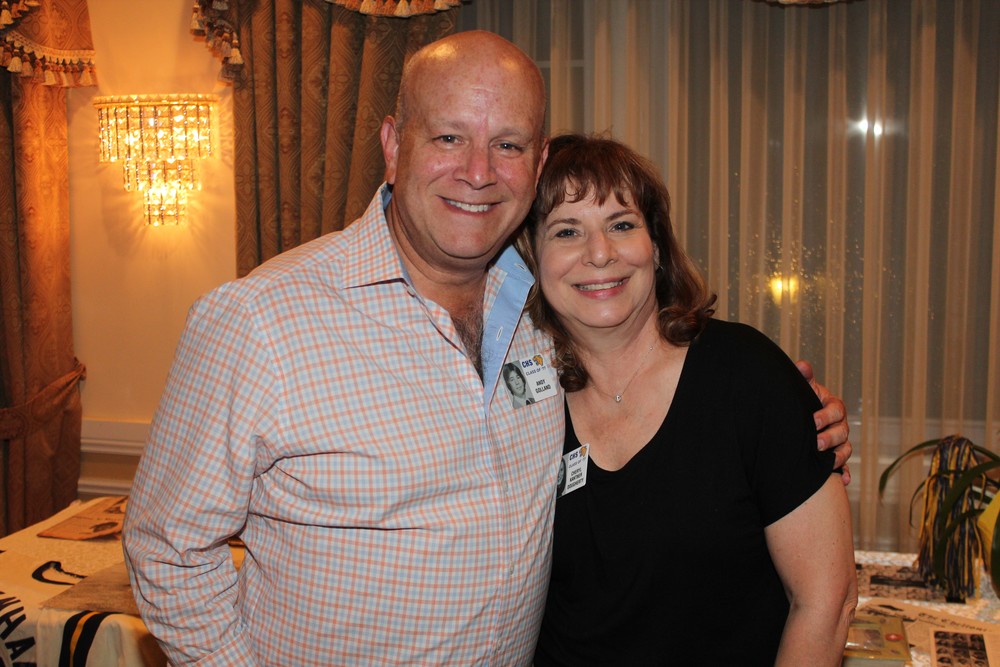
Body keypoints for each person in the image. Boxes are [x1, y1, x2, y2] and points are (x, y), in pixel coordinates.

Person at [122, 31, 851, 666]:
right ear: (393, 146)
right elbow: (166, 550)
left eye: (508, 144)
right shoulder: (261, 319)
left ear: (536, 164)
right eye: (449, 138)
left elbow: (685, 425)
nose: (478, 171)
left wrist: (794, 423)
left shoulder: (544, 317)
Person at [517, 134, 858, 666]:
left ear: (656, 246)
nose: (600, 252)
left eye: (621, 225)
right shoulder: (518, 403)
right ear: (532, 259)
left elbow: (826, 602)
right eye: (566, 231)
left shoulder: (748, 378)